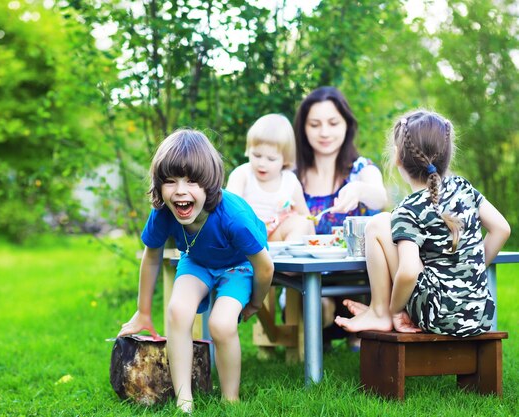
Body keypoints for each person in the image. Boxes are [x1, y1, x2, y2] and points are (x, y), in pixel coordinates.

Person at [118, 129, 274, 413]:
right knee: (178, 310)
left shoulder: (234, 217)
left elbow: (264, 266)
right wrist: (143, 311)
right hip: (196, 259)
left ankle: (231, 399)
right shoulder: (164, 213)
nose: (180, 190)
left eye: (192, 181)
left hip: (237, 266)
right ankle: (184, 400)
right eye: (170, 181)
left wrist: (255, 302)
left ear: (210, 184)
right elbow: (151, 257)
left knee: (222, 324)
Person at [335, 110, 511, 336]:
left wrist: (395, 309)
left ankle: (380, 313)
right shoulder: (464, 189)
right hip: (479, 314)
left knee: (379, 223)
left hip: (437, 314)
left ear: (398, 156)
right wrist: (470, 272)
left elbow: (408, 272)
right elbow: (502, 229)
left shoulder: (408, 209)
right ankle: (378, 312)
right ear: (447, 154)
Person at [288, 86, 389, 348]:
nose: (324, 132)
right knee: (317, 306)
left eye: (333, 123)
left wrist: (358, 189)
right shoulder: (291, 175)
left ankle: (355, 324)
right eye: (315, 124)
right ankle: (326, 322)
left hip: (357, 278)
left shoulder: (360, 170)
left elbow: (380, 197)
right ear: (303, 129)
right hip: (302, 280)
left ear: (346, 125)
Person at [226, 113, 313, 241]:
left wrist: (314, 243)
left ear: (285, 159)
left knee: (302, 222)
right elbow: (229, 208)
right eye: (256, 155)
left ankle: (289, 259)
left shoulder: (290, 182)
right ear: (248, 150)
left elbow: (306, 217)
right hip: (246, 237)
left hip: (274, 239)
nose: (262, 163)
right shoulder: (242, 174)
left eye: (271, 159)